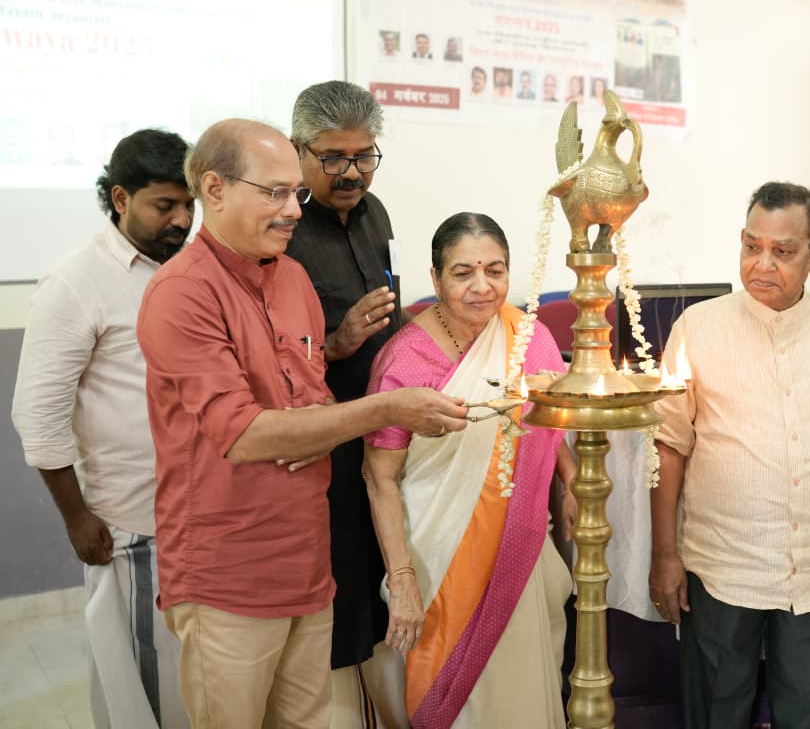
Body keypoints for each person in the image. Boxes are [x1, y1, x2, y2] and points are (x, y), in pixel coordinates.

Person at [136, 118, 468, 729]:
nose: (294, 210)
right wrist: (386, 409)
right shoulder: (181, 292)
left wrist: (308, 425)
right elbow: (243, 435)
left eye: (295, 192)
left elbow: (311, 402)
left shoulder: (291, 278)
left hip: (309, 560)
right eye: (275, 193)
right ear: (214, 189)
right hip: (229, 573)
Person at [648, 182, 810, 729]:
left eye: (782, 251)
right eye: (751, 246)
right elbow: (668, 447)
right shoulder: (698, 328)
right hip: (722, 567)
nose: (762, 264)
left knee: (808, 714)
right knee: (717, 714)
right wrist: (664, 555)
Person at [363, 212, 576, 728]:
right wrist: (402, 579)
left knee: (521, 692)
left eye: (495, 270)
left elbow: (550, 422)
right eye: (463, 273)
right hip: (438, 560)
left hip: (521, 548)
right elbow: (378, 476)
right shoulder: (404, 359)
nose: (482, 287)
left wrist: (571, 482)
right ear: (436, 280)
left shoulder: (529, 337)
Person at [11, 129, 194, 729]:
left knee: (191, 687)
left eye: (189, 204)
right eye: (164, 205)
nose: (182, 219)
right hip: (133, 522)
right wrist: (77, 517)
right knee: (146, 687)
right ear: (120, 198)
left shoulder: (189, 270)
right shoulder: (77, 280)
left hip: (201, 513)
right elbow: (38, 414)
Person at [285, 80, 405, 728]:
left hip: (386, 439)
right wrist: (336, 344)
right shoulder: (282, 232)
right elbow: (267, 363)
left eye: (364, 155)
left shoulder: (376, 213)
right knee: (337, 597)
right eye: (333, 157)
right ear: (298, 151)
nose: (352, 172)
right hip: (320, 449)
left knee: (385, 591)